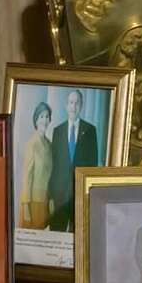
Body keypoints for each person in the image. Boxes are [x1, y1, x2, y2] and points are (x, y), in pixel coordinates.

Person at [48, 89, 99, 231]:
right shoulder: (57, 131)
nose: (73, 106)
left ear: (81, 106)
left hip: (80, 194)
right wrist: (51, 195)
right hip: (60, 195)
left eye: (77, 103)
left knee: (78, 236)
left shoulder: (90, 130)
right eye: (71, 102)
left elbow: (93, 165)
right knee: (56, 235)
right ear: (66, 105)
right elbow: (54, 164)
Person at [18, 101, 53, 230]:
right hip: (32, 204)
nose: (44, 120)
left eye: (47, 116)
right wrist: (26, 208)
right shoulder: (32, 144)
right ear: (36, 120)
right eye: (41, 116)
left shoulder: (49, 145)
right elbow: (27, 176)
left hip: (44, 202)